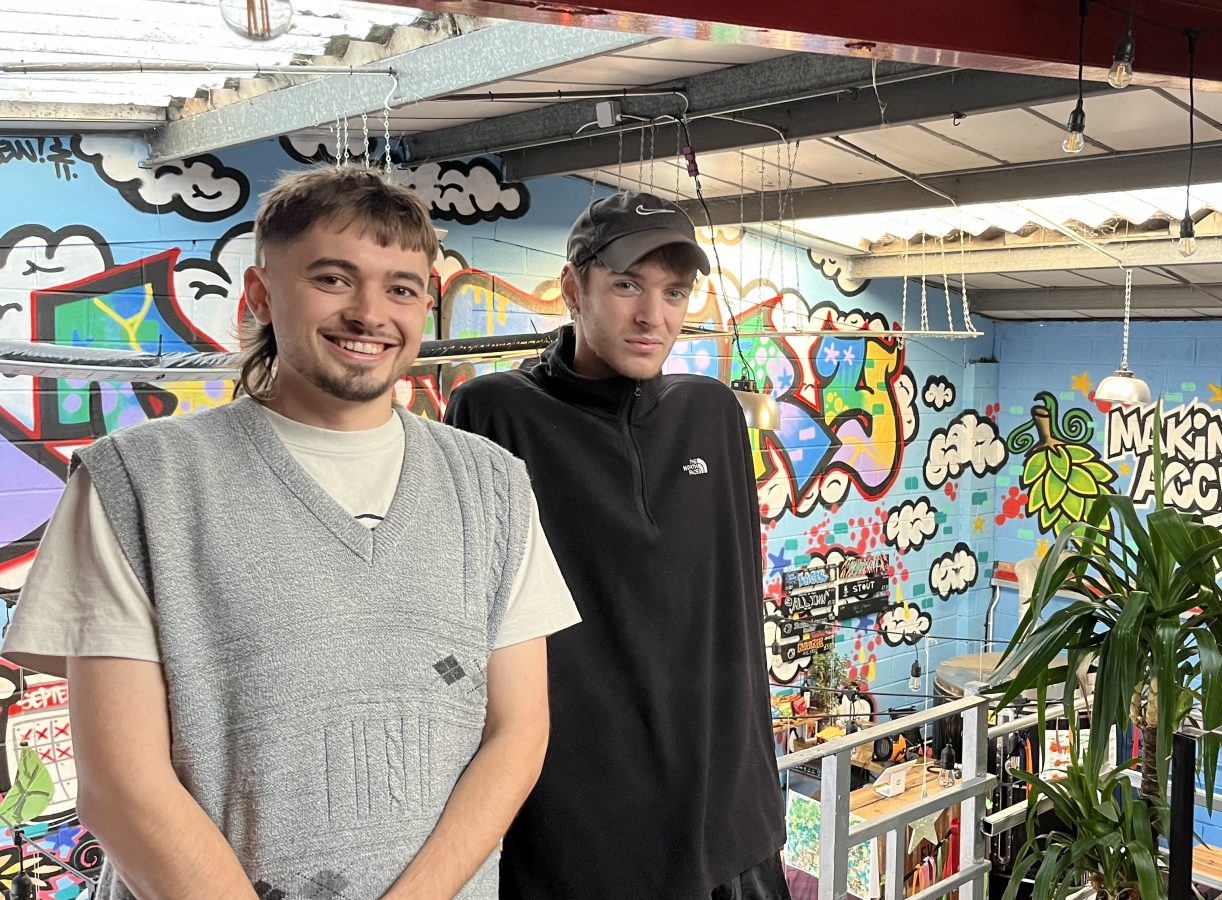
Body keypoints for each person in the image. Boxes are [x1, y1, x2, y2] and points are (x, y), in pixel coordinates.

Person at [2, 166, 579, 899]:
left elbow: (518, 733)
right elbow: (121, 788)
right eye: (333, 279)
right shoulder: (139, 482)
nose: (370, 313)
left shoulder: (493, 484)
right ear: (260, 295)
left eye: (402, 289)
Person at [446, 190, 788, 900]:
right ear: (573, 289)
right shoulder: (495, 414)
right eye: (628, 285)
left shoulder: (712, 413)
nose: (652, 316)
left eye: (674, 292)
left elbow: (732, 609)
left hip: (731, 828)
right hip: (581, 840)